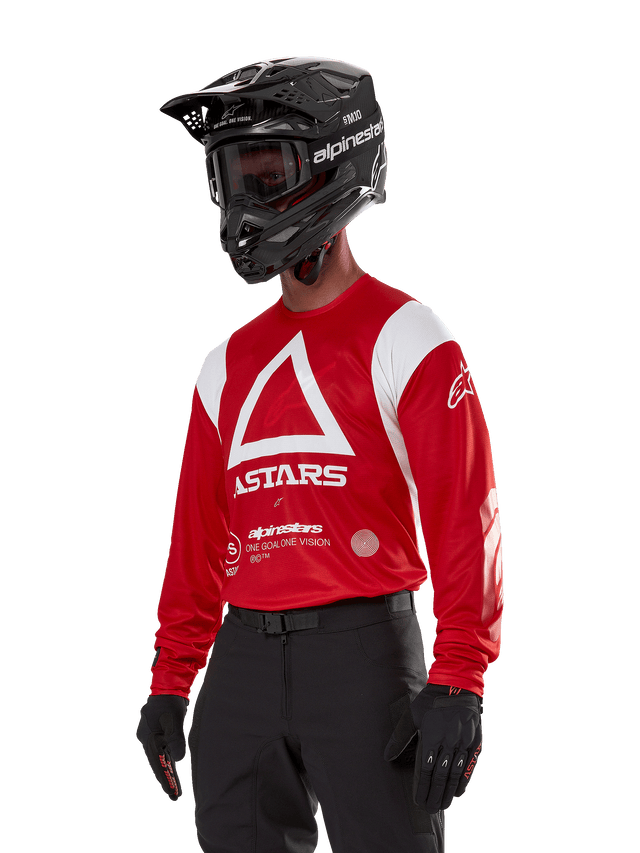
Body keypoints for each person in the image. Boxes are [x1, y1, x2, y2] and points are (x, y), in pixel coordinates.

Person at [135, 55, 504, 853]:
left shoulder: (409, 337)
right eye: (231, 178)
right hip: (240, 665)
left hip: (364, 657)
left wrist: (460, 675)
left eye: (267, 173)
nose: (243, 203)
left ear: (337, 165)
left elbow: (465, 513)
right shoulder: (223, 366)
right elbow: (198, 538)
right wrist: (170, 680)